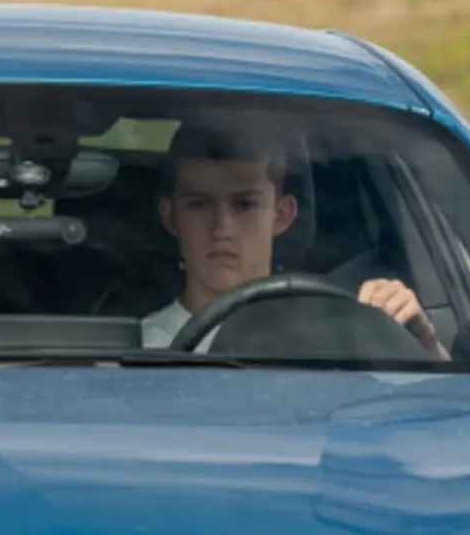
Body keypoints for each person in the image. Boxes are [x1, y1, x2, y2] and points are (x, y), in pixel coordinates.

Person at [141, 123, 451, 360]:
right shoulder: (136, 348)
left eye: (244, 205)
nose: (222, 228)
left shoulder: (351, 330)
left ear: (283, 215)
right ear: (170, 218)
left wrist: (424, 344)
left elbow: (444, 419)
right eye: (199, 205)